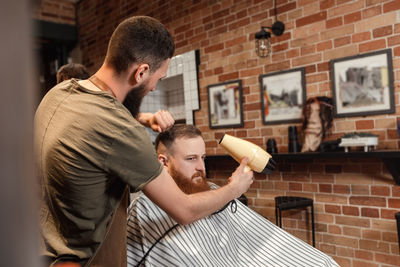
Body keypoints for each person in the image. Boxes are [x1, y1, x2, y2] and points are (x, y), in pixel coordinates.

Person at [34, 16, 253, 266]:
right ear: (141, 72)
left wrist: (142, 118)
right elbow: (185, 210)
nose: (153, 89)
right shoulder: (121, 131)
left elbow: (94, 122)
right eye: (157, 80)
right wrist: (235, 188)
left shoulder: (58, 94)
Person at [127, 125, 340, 267]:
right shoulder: (145, 208)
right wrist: (232, 191)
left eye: (203, 157)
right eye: (191, 158)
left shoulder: (211, 189)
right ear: (163, 162)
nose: (201, 167)